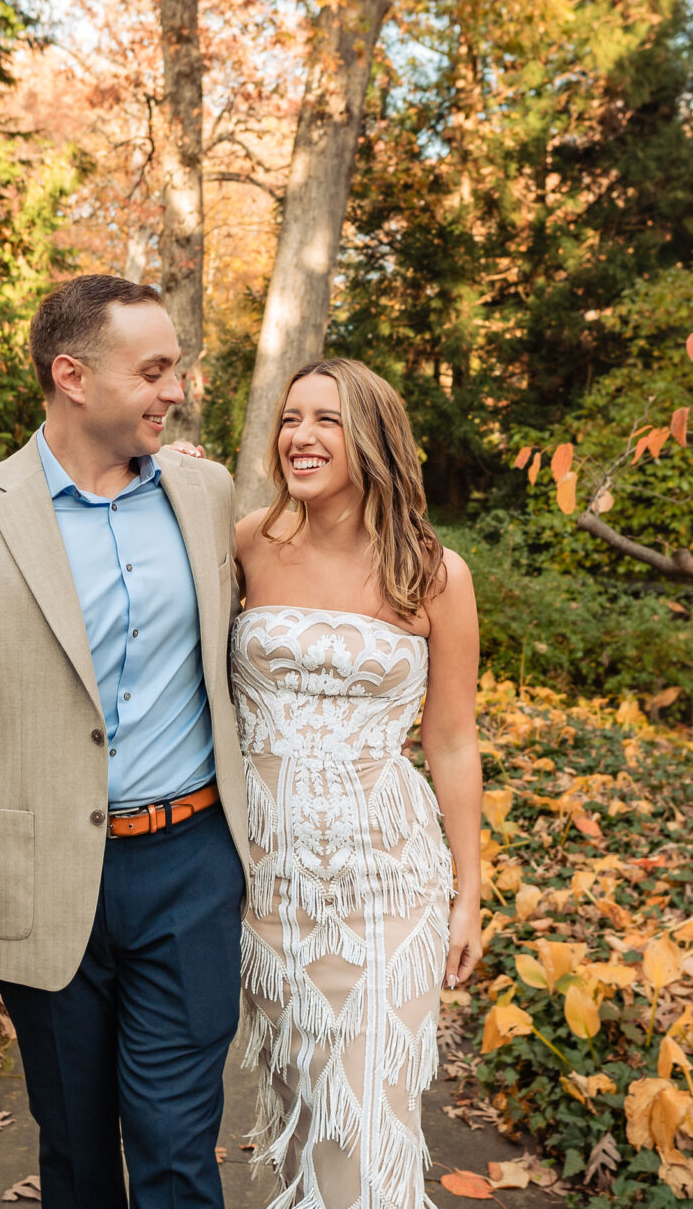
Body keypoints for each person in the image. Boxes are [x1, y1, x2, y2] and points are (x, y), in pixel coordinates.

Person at [0, 274, 251, 1209]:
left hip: (192, 868)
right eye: (154, 370)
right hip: (40, 880)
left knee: (176, 1156)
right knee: (76, 1153)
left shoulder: (204, 492)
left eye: (179, 371)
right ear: (72, 375)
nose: (177, 390)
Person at [230, 358, 485, 1209]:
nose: (299, 436)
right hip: (267, 880)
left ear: (371, 437)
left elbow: (450, 740)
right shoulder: (244, 542)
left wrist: (469, 892)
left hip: (390, 879)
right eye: (290, 418)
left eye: (325, 420)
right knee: (307, 1112)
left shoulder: (435, 573)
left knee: (371, 1118)